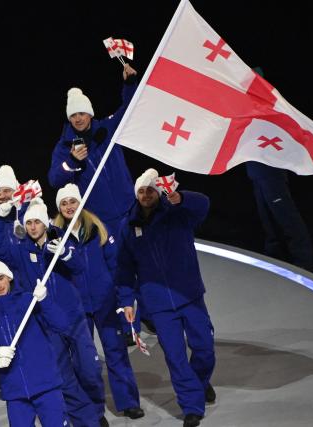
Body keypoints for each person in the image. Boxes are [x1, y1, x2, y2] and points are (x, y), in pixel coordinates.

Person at [0, 197, 104, 426]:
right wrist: (1, 218)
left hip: (72, 317)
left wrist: (65, 254)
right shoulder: (21, 249)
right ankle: (87, 418)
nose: (33, 227)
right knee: (64, 377)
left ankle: (97, 410)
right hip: (46, 323)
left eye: (37, 222)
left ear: (45, 223)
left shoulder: (61, 238)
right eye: (29, 223)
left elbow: (80, 267)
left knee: (89, 369)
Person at [116, 168, 216, 427]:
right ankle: (192, 405)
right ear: (135, 194)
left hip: (189, 293)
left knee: (204, 346)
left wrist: (181, 198)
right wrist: (127, 301)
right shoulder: (128, 225)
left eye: (150, 189)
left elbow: (203, 204)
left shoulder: (177, 214)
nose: (146, 195)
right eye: (141, 191)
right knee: (174, 356)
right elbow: (125, 268)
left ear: (158, 191)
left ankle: (200, 382)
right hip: (158, 304)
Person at [53, 183, 144, 420]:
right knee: (85, 362)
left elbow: (117, 267)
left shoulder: (98, 229)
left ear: (80, 202)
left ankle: (129, 402)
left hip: (106, 302)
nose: (69, 206)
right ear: (59, 208)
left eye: (72, 201)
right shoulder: (55, 235)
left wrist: (124, 298)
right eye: (64, 203)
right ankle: (94, 410)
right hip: (77, 308)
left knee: (116, 352)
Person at [0, 259, 70, 426]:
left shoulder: (29, 301)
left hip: (45, 385)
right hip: (14, 392)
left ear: (9, 277)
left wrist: (44, 300)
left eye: (1, 278)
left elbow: (62, 324)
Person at [48, 63, 138, 236]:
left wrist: (129, 84)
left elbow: (129, 108)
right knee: (113, 261)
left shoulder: (107, 128)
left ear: (90, 114)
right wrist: (72, 162)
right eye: (73, 115)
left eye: (81, 113)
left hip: (129, 207)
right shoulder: (64, 147)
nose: (78, 119)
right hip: (100, 219)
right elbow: (54, 180)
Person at [245, 161, 313, 271]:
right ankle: (274, 255)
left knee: (287, 217)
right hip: (257, 174)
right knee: (267, 219)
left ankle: (303, 260)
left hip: (272, 174)